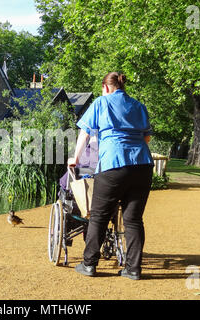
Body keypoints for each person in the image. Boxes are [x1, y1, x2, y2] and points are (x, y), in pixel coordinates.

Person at [68, 72, 153, 280]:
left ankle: (89, 265)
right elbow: (147, 137)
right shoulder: (138, 106)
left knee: (99, 216)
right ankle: (133, 269)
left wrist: (75, 158)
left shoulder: (101, 102)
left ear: (106, 87)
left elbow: (84, 133)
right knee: (133, 220)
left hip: (113, 164)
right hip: (142, 165)